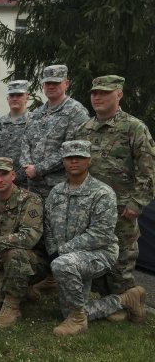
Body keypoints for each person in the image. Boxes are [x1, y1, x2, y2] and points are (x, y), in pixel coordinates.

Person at [73, 75, 155, 320]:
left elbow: (148, 170)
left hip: (122, 207)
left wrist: (136, 203)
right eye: (94, 93)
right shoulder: (84, 129)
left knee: (122, 257)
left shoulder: (134, 127)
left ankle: (127, 301)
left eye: (104, 93)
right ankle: (109, 300)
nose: (97, 97)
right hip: (91, 207)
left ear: (118, 94)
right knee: (96, 254)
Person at [44, 140, 146, 336]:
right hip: (68, 257)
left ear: (89, 160)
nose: (74, 161)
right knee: (67, 310)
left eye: (80, 157)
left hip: (99, 253)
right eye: (69, 158)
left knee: (63, 266)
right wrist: (52, 252)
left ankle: (78, 320)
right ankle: (126, 300)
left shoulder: (102, 193)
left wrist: (59, 254)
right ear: (63, 161)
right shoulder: (56, 192)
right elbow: (48, 226)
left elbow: (100, 235)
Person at [0, 157, 48, 328]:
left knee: (14, 253)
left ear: (13, 175)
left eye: (4, 174)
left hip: (31, 261)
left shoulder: (30, 200)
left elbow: (29, 238)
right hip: (0, 263)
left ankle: (12, 306)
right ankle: (23, 290)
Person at [20, 65, 89, 200]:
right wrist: (27, 167)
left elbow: (71, 149)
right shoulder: (36, 113)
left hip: (59, 187)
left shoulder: (76, 112)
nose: (51, 86)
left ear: (66, 84)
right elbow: (25, 142)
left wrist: (38, 169)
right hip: (33, 186)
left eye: (56, 82)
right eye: (47, 83)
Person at [0, 80, 31, 187]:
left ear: (27, 97)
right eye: (12, 95)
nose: (15, 98)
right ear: (7, 98)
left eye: (19, 95)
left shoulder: (35, 122)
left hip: (27, 183)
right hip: (2, 181)